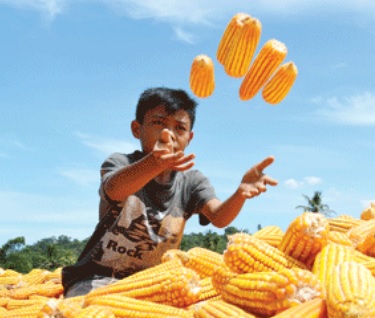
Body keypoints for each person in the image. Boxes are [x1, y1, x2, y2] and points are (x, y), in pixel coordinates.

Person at [61, 87, 277, 297]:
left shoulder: (192, 181)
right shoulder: (122, 163)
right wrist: (154, 163)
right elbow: (115, 189)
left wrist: (240, 194)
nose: (169, 134)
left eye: (179, 128)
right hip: (99, 278)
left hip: (155, 282)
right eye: (159, 123)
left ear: (189, 138)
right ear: (137, 129)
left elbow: (219, 217)